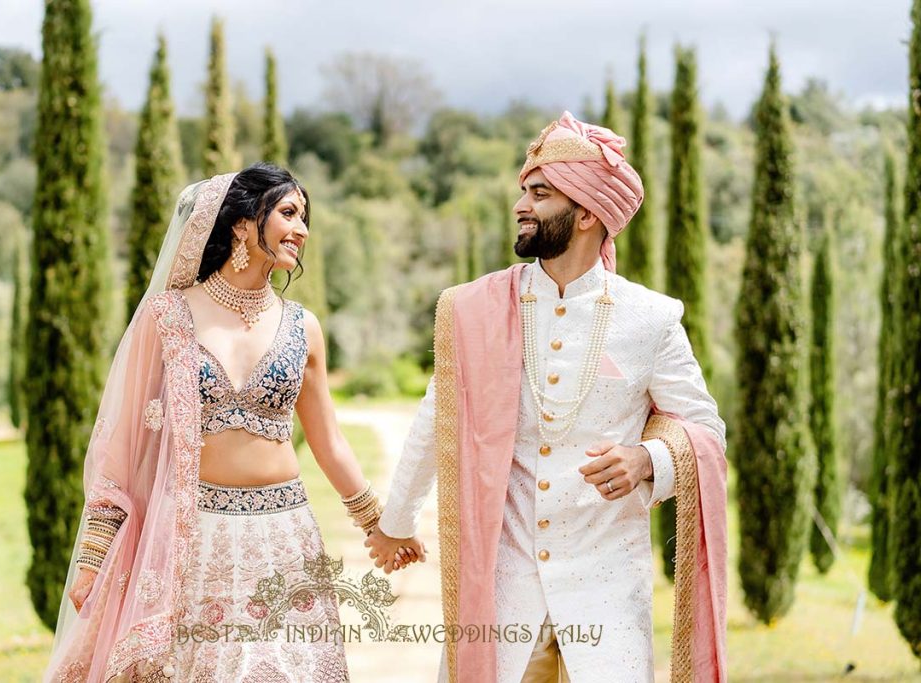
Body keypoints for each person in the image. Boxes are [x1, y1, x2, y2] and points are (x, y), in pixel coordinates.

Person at [366, 113, 729, 682]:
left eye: (540, 193)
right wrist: (395, 521)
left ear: (587, 214)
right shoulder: (475, 310)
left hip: (608, 595)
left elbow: (706, 429)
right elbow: (436, 420)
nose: (521, 205)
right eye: (523, 192)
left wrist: (647, 460)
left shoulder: (651, 318)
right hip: (506, 591)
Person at [44, 163, 386, 682]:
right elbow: (122, 446)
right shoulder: (167, 318)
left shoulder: (303, 327)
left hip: (285, 540)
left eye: (305, 217)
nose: (303, 229)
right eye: (289, 213)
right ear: (242, 224)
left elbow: (330, 442)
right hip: (196, 543)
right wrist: (94, 555)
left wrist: (377, 524)